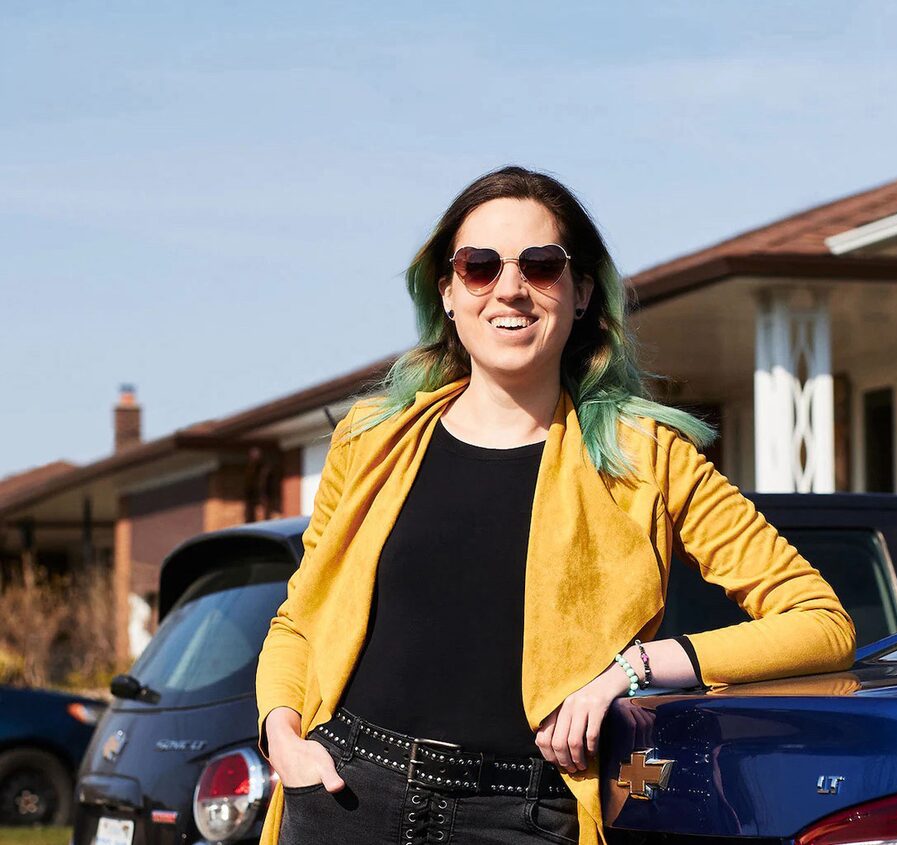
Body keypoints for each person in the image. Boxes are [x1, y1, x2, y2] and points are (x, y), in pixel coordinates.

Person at [254, 166, 855, 845]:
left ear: (580, 294)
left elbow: (819, 621)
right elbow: (298, 623)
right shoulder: (370, 440)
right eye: (479, 266)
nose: (509, 287)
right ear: (448, 292)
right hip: (344, 796)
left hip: (525, 815)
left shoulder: (647, 457)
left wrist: (633, 669)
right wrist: (284, 737)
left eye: (540, 265)